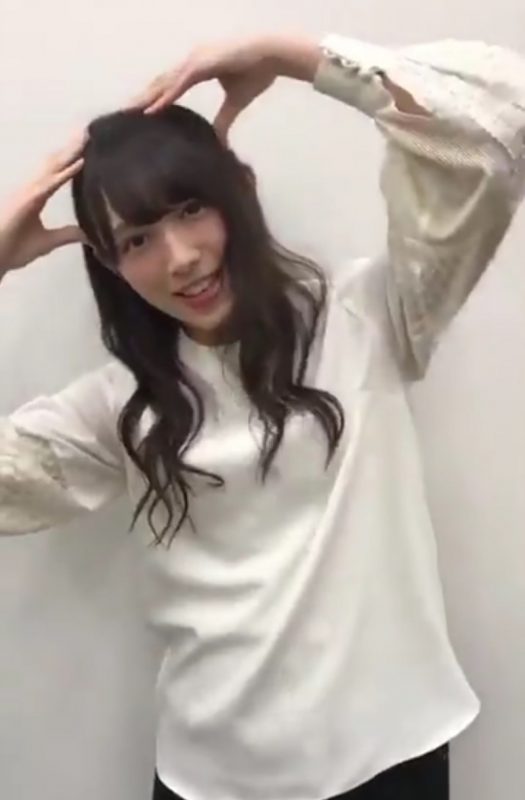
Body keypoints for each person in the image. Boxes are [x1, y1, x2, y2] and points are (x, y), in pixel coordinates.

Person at [1, 32, 524, 800]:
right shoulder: (119, 408)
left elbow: (493, 128)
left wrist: (289, 57)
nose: (180, 257)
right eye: (138, 240)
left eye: (191, 208)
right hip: (211, 777)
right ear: (109, 264)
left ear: (240, 189)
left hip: (389, 755)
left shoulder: (368, 315)